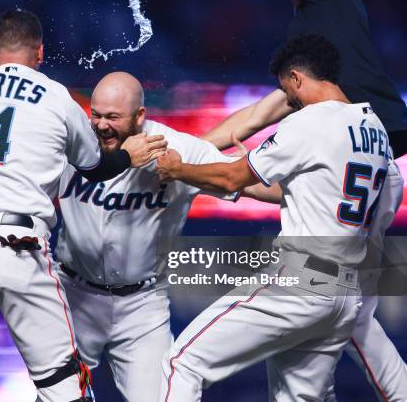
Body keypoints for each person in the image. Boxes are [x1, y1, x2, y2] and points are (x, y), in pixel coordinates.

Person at [0, 10, 166, 402]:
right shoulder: (57, 97)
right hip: (16, 243)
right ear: (40, 53)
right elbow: (95, 168)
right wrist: (128, 155)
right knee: (63, 386)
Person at [156, 34, 387, 401]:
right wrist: (236, 179)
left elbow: (232, 176)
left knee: (181, 363)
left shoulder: (310, 122)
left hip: (301, 283)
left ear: (296, 77)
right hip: (344, 294)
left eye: (286, 89)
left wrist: (180, 169)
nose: (289, 100)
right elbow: (291, 192)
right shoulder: (374, 128)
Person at [202, 0, 407, 399]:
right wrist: (191, 151)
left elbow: (265, 112)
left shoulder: (326, 9)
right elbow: (265, 111)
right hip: (367, 168)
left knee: (348, 309)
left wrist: (189, 154)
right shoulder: (328, 15)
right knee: (344, 308)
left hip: (366, 166)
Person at [55, 71, 279, 402]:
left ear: (140, 116)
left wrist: (326, 194)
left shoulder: (177, 150)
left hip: (141, 308)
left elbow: (258, 186)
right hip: (74, 297)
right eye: (97, 115)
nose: (102, 125)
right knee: (56, 397)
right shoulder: (71, 144)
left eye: (113, 117)